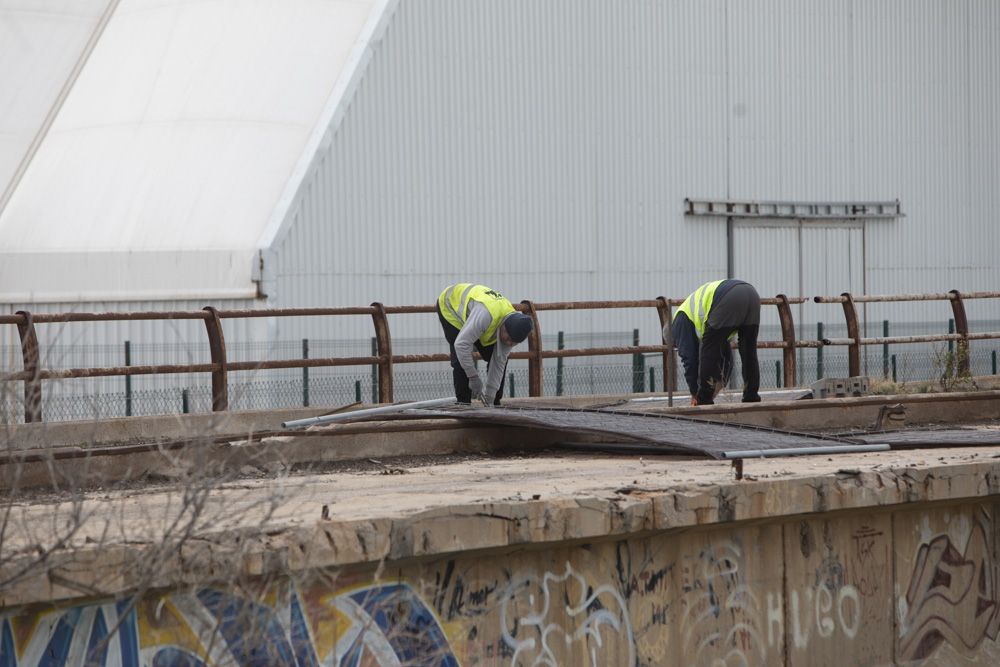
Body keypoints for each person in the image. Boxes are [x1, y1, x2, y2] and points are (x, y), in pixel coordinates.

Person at [666, 279, 761, 405]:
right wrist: (720, 381)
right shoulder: (693, 317)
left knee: (708, 349)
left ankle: (704, 399)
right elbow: (726, 357)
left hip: (728, 298)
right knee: (748, 351)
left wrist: (695, 394)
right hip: (751, 294)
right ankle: (751, 396)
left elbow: (690, 360)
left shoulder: (679, 323)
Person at [437, 283, 534, 405]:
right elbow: (461, 345)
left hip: (479, 317)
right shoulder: (485, 315)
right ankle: (463, 404)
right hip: (450, 306)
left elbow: (498, 363)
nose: (509, 343)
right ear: (504, 326)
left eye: (514, 342)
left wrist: (489, 398)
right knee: (460, 356)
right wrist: (473, 377)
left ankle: (494, 403)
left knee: (498, 356)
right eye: (508, 338)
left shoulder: (511, 327)